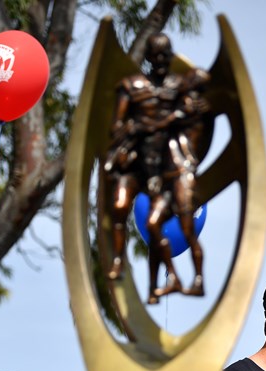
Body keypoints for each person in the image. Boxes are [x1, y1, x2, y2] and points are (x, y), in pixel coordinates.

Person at [103, 32, 210, 303]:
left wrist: (196, 105)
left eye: (166, 55)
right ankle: (117, 260)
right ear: (149, 58)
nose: (161, 61)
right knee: (118, 206)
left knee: (170, 224)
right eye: (156, 56)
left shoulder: (179, 86)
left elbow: (202, 85)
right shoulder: (131, 86)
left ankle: (184, 279)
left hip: (166, 167)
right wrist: (132, 130)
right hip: (138, 161)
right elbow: (117, 125)